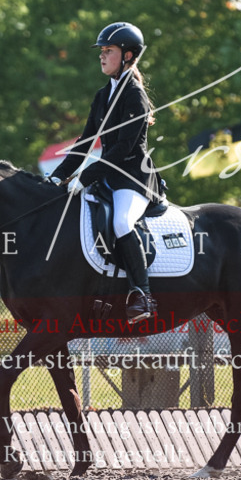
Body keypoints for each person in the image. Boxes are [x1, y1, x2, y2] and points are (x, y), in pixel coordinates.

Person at [50, 21, 162, 324]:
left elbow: (125, 149)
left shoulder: (135, 95)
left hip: (133, 179)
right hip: (109, 177)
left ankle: (143, 295)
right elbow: (85, 141)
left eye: (108, 50)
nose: (102, 56)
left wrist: (87, 175)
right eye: (101, 51)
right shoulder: (103, 95)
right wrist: (58, 175)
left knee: (123, 222)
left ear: (128, 55)